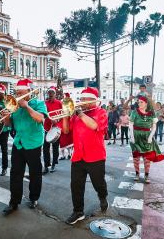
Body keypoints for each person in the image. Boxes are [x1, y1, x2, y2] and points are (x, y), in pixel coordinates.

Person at [62, 87, 108, 225]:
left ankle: (102, 196)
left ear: (94, 100)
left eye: (85, 99)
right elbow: (65, 130)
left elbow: (94, 126)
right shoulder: (76, 114)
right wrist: (65, 115)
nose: (82, 102)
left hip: (96, 156)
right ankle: (78, 212)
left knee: (98, 183)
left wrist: (80, 114)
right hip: (78, 156)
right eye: (81, 99)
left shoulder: (101, 112)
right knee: (76, 185)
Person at [2, 79, 47, 215]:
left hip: (33, 143)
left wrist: (26, 106)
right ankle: (13, 202)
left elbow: (40, 119)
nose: (18, 95)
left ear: (29, 92)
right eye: (17, 93)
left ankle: (34, 198)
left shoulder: (39, 103)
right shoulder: (14, 106)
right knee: (15, 173)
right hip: (19, 143)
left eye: (21, 93)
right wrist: (6, 117)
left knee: (35, 173)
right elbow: (10, 125)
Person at [129, 95, 164, 184]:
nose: (139, 104)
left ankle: (146, 175)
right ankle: (137, 174)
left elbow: (154, 127)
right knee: (136, 157)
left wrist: (150, 137)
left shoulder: (151, 113)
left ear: (146, 103)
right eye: (138, 102)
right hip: (136, 135)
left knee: (147, 158)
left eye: (141, 102)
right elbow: (130, 125)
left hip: (147, 137)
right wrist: (132, 136)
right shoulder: (134, 112)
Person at [43, 86, 63, 174]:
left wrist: (57, 120)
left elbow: (63, 114)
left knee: (55, 147)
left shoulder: (59, 103)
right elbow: (42, 114)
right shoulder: (44, 103)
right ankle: (47, 165)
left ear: (55, 94)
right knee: (45, 148)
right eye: (49, 93)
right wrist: (48, 118)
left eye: (52, 93)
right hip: (46, 127)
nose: (50, 94)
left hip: (56, 127)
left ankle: (54, 163)